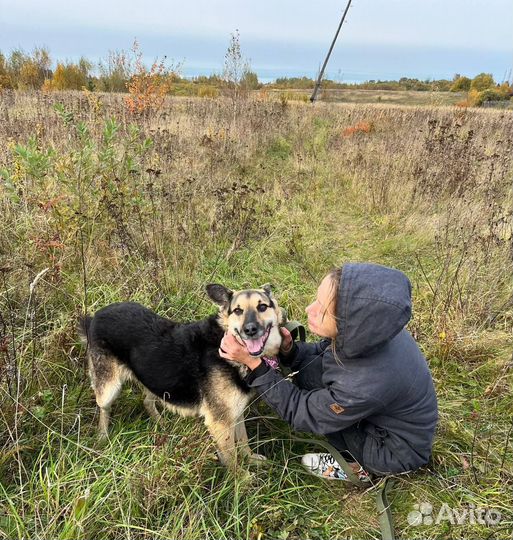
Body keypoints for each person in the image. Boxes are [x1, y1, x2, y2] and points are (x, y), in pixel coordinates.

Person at [219, 262, 438, 481]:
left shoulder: (362, 383)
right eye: (316, 299)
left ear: (349, 323)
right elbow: (325, 355)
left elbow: (302, 413)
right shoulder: (373, 329)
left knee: (313, 451)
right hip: (380, 413)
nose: (309, 309)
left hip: (391, 451)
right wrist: (290, 351)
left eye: (321, 309)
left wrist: (255, 366)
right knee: (310, 377)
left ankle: (361, 469)